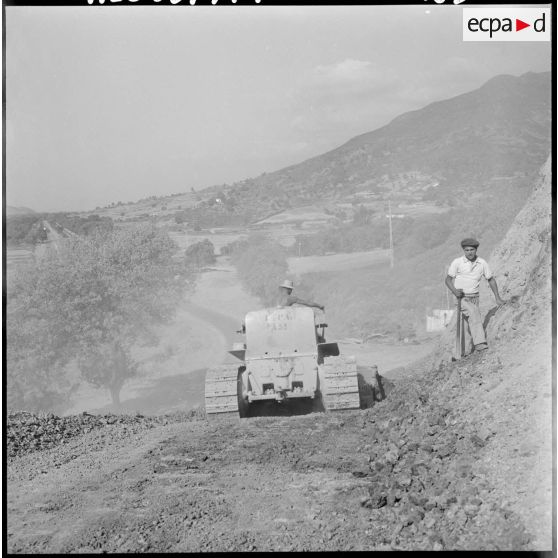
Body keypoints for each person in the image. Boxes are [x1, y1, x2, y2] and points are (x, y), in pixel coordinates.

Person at [445, 238, 505, 354]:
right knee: (474, 314)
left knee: (468, 324)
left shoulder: (482, 263)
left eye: (472, 249)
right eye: (467, 250)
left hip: (475, 297)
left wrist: (497, 298)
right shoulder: (457, 262)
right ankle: (480, 344)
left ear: (476, 250)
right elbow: (447, 280)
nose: (469, 252)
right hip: (460, 297)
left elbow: (491, 280)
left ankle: (463, 352)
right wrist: (455, 291)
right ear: (463, 250)